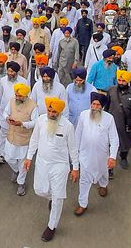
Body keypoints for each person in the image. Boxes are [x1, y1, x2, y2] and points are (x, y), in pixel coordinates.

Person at [23, 97, 79, 243]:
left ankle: (51, 226)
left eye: (54, 111)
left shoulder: (67, 126)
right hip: (42, 162)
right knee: (39, 190)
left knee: (58, 197)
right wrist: (29, 158)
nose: (51, 113)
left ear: (60, 112)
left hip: (60, 166)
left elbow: (73, 149)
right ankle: (50, 198)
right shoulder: (41, 120)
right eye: (49, 110)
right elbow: (34, 140)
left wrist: (75, 168)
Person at [74, 92, 118, 216]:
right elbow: (78, 135)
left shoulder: (109, 118)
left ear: (102, 107)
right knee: (84, 180)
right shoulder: (83, 115)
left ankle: (103, 185)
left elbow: (114, 139)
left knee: (103, 173)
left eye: (98, 105)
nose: (95, 107)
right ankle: (83, 204)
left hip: (102, 156)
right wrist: (74, 155)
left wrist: (112, 157)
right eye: (93, 104)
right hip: (85, 155)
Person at [105, 70, 131, 170]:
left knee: (126, 143)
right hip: (112, 125)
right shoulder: (111, 90)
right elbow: (106, 106)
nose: (121, 82)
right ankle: (109, 168)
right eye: (119, 80)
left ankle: (123, 157)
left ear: (128, 81)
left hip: (127, 125)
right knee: (109, 145)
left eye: (123, 81)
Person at [2, 82, 37, 196]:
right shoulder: (12, 100)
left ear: (25, 95)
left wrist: (22, 123)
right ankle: (15, 170)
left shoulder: (33, 106)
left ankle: (21, 183)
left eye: (19, 96)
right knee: (8, 158)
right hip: (11, 135)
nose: (17, 97)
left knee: (23, 162)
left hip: (24, 138)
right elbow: (5, 112)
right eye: (16, 95)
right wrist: (7, 118)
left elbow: (35, 122)